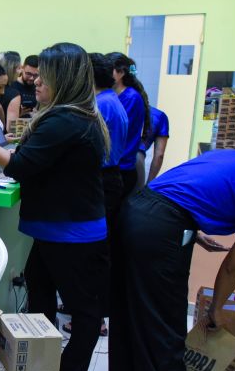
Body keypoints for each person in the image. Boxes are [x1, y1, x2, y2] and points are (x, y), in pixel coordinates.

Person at [0, 42, 110, 371]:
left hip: (71, 233)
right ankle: (39, 362)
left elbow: (19, 167)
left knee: (83, 309)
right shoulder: (73, 117)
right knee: (39, 293)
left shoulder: (66, 120)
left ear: (62, 79)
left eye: (43, 76)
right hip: (59, 231)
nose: (34, 80)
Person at [109, 150, 235, 371]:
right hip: (162, 222)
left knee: (130, 307)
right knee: (165, 323)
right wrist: (217, 309)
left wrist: (190, 229)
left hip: (137, 209)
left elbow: (185, 189)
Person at [62, 54, 128, 336]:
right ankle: (91, 311)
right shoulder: (113, 100)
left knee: (91, 254)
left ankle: (94, 316)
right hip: (110, 178)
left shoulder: (100, 105)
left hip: (102, 179)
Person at [107, 53, 151, 196]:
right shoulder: (114, 95)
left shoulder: (131, 97)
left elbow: (118, 132)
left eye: (109, 70)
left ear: (120, 73)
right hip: (116, 165)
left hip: (122, 168)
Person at [135, 105, 170, 188]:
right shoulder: (159, 116)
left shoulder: (122, 107)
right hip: (140, 163)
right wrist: (149, 183)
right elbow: (159, 155)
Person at [5, 54, 39, 132]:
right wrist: (18, 115)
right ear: (22, 68)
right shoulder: (11, 86)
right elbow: (10, 128)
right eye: (28, 74)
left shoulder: (39, 86)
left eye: (36, 75)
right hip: (15, 133)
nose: (31, 78)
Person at [0, 51, 23, 122]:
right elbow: (12, 129)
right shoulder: (14, 94)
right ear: (11, 69)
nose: (21, 71)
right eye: (19, 68)